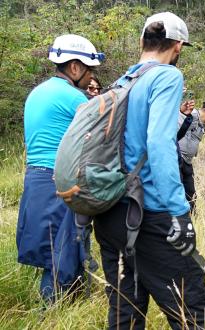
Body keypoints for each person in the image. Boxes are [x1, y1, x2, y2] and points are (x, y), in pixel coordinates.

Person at [92, 12, 205, 329]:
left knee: (126, 312)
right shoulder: (166, 77)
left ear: (141, 42)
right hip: (149, 216)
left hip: (110, 214)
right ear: (177, 46)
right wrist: (179, 213)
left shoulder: (123, 81)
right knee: (195, 311)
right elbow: (159, 143)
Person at [16, 34, 103, 303]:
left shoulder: (39, 92)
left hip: (36, 179)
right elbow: (104, 132)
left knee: (52, 250)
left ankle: (69, 308)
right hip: (60, 181)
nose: (91, 77)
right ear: (75, 67)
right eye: (89, 71)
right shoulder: (71, 96)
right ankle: (51, 316)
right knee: (63, 254)